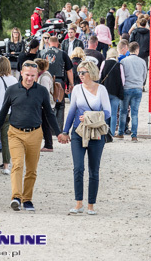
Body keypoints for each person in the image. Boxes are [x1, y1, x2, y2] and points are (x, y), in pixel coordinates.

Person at [0, 60, 61, 211]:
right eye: (27, 75)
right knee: (17, 165)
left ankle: (27, 199)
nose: (29, 78)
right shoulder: (12, 90)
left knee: (31, 169)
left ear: (37, 75)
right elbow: (3, 112)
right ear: (21, 74)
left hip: (35, 134)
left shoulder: (42, 91)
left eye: (33, 75)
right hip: (15, 133)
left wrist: (58, 133)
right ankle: (16, 197)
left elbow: (49, 114)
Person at [58, 61, 111, 215]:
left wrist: (89, 117)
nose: (80, 75)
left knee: (94, 170)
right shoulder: (76, 90)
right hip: (78, 132)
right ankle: (78, 202)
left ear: (91, 73)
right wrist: (65, 131)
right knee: (78, 168)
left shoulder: (102, 90)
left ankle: (91, 205)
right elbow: (72, 110)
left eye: (83, 72)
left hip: (95, 133)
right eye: (79, 72)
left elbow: (107, 112)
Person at [116, 42, 147, 141]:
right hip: (137, 88)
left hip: (126, 88)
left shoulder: (124, 61)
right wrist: (141, 83)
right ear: (137, 50)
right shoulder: (142, 61)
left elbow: (121, 76)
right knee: (134, 112)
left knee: (123, 111)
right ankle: (134, 135)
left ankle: (120, 132)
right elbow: (144, 75)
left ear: (129, 50)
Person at [42, 36, 74, 132]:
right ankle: (58, 129)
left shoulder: (42, 53)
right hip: (59, 81)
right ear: (57, 43)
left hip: (45, 80)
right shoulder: (62, 53)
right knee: (60, 105)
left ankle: (47, 129)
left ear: (48, 42)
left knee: (47, 105)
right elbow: (69, 70)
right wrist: (71, 84)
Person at [99, 48, 124, 136]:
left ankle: (104, 132)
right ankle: (112, 133)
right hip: (116, 93)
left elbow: (100, 76)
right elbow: (123, 80)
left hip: (105, 91)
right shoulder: (119, 65)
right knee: (113, 114)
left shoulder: (104, 63)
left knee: (105, 112)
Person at [35, 58, 57, 153]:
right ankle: (47, 144)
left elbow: (45, 92)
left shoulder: (44, 77)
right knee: (44, 124)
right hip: (44, 104)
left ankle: (48, 145)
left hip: (45, 104)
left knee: (45, 125)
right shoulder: (43, 75)